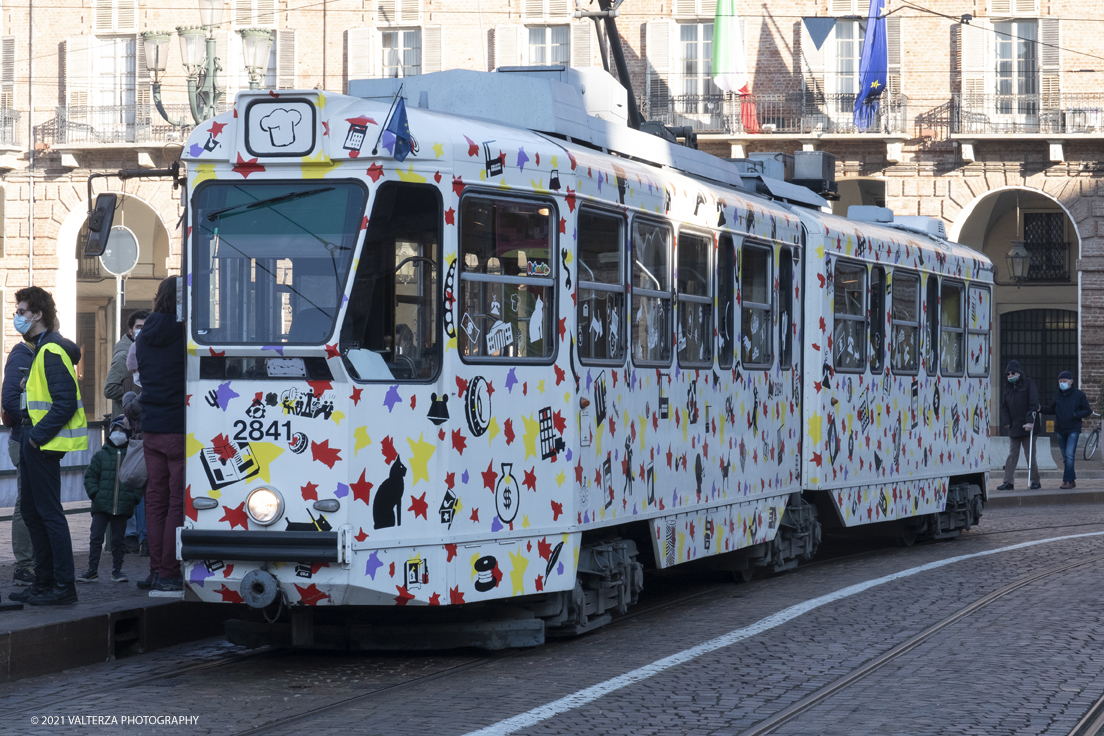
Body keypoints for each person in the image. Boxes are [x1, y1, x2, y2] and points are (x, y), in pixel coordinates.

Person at [8, 286, 88, 606]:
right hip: (36, 441)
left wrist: (36, 437)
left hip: (42, 443)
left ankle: (63, 586)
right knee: (31, 510)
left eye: (22, 312)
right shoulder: (43, 348)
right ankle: (43, 582)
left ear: (38, 315)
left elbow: (65, 401)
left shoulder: (51, 350)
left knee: (49, 513)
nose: (17, 316)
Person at [135, 277, 186, 594]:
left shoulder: (142, 336)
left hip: (150, 427)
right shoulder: (184, 333)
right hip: (179, 428)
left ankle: (155, 570)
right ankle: (169, 572)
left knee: (154, 501)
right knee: (176, 504)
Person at [76, 416, 143, 583]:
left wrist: (133, 498)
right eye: (116, 430)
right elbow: (90, 477)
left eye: (122, 430)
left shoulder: (132, 456)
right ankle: (92, 570)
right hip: (101, 505)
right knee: (96, 538)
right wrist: (95, 495)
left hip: (123, 506)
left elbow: (139, 480)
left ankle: (117, 570)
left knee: (118, 540)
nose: (118, 434)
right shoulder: (100, 456)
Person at [105, 310, 149, 557]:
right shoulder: (125, 353)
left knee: (137, 484)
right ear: (131, 330)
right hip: (130, 430)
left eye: (146, 325)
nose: (141, 330)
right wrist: (131, 402)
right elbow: (109, 388)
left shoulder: (144, 348)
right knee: (135, 484)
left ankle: (139, 538)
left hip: (138, 429)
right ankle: (135, 538)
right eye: (138, 326)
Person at [2, 336, 35, 586]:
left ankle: (32, 563)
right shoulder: (22, 354)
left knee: (32, 501)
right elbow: (11, 401)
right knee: (26, 502)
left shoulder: (38, 352)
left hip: (31, 439)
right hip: (24, 439)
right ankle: (25, 565)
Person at [1040, 371, 1091, 489]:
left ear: (1071, 382)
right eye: (1060, 381)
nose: (1062, 383)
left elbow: (1087, 410)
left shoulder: (1079, 395)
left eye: (1064, 381)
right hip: (1060, 429)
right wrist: (1039, 409)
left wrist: (1075, 414)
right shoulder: (1058, 395)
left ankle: (1067, 481)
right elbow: (1052, 409)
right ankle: (1072, 480)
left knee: (1069, 455)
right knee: (1065, 457)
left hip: (1073, 429)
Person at [996, 360, 1041, 492]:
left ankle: (1035, 481)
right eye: (1008, 374)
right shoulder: (1007, 388)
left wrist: (1029, 422)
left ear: (1019, 373)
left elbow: (1033, 404)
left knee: (1030, 454)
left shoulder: (1028, 384)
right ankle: (1008, 481)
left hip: (1028, 425)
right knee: (1012, 454)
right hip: (1015, 426)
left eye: (1013, 373)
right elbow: (1004, 407)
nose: (1010, 375)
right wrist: (1007, 421)